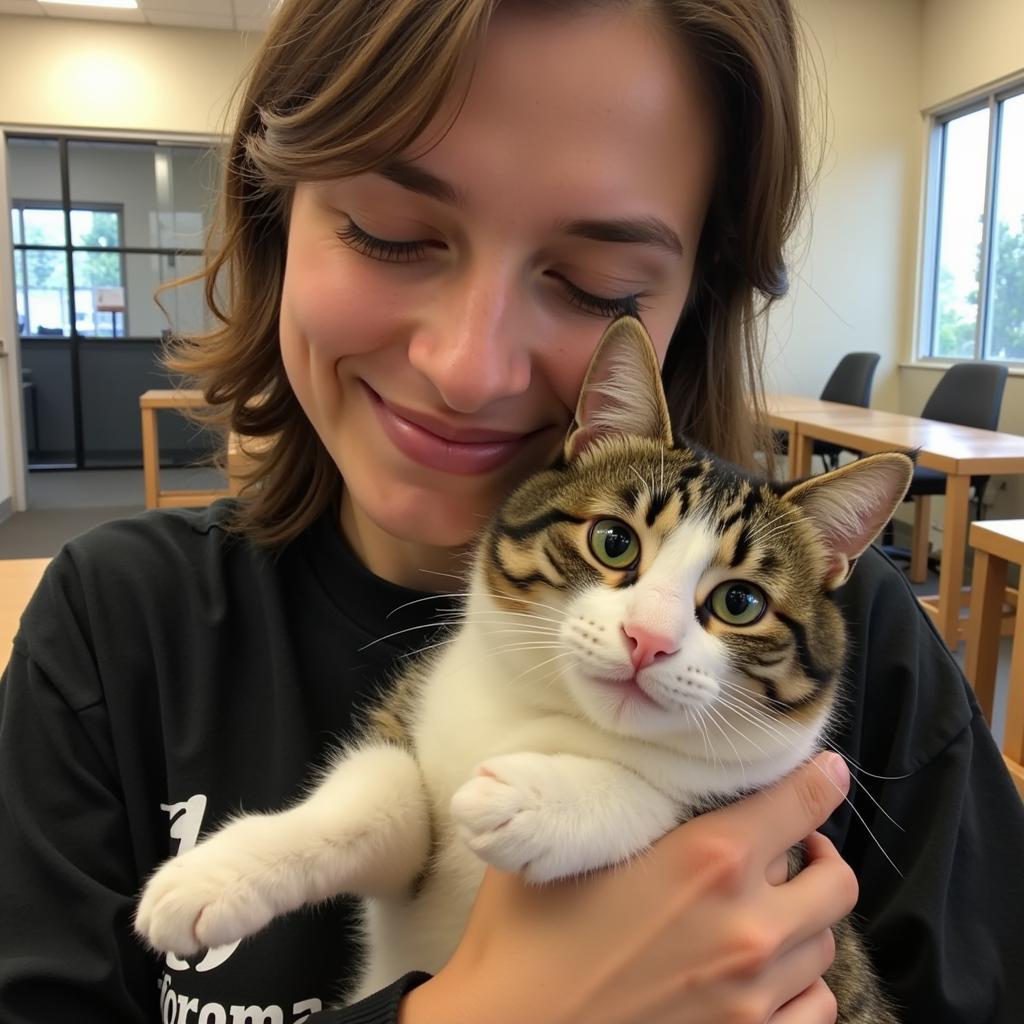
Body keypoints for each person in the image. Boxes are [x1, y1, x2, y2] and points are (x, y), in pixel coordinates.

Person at [0, 1, 1021, 1021]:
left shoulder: (864, 655)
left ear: (693, 303)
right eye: (390, 236)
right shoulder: (109, 633)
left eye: (596, 286)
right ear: (273, 212)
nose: (467, 369)